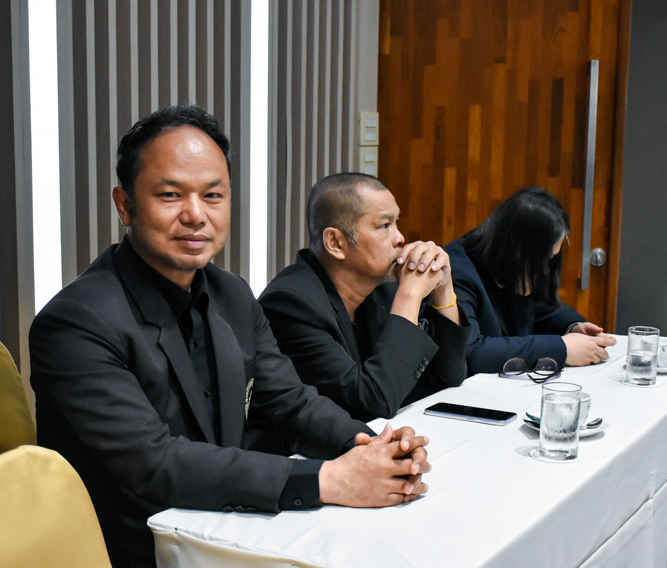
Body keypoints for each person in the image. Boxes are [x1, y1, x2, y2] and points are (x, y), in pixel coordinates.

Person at [29, 106, 430, 568]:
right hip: (135, 550)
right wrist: (329, 480)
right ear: (125, 205)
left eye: (213, 195)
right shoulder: (76, 321)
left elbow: (291, 402)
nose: (195, 215)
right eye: (170, 194)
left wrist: (372, 448)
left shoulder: (232, 293)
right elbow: (153, 462)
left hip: (228, 526)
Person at [257, 173, 470, 423]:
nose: (400, 238)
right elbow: (371, 403)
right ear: (336, 243)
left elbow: (448, 376)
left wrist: (442, 288)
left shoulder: (382, 290)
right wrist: (410, 296)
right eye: (384, 226)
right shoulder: (290, 305)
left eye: (397, 223)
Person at [445, 187, 616, 374]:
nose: (545, 270)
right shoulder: (457, 270)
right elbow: (472, 353)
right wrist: (562, 348)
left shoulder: (509, 264)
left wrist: (573, 328)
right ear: (518, 250)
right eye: (543, 260)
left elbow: (542, 308)